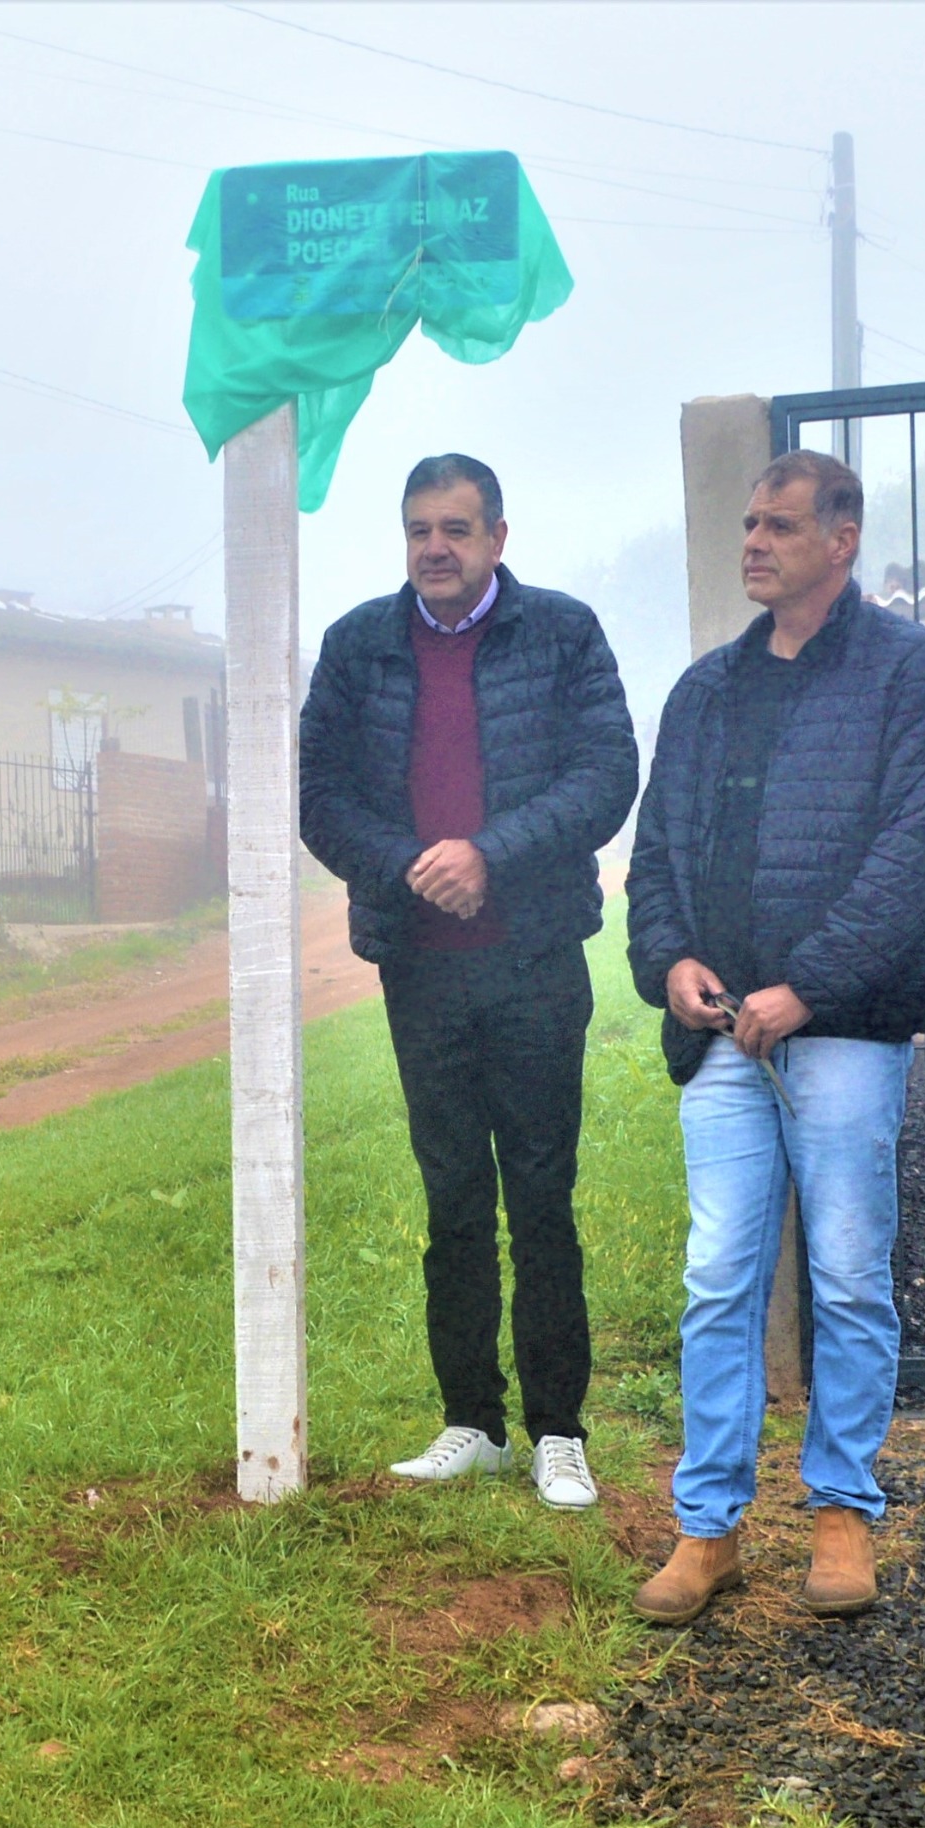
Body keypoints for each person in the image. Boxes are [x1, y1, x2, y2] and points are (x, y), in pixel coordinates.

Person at [621, 449, 925, 1624]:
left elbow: (915, 851)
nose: (752, 544)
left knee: (848, 1275)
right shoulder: (703, 691)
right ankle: (706, 1528)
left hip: (844, 1033)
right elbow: (656, 854)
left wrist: (806, 988)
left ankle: (839, 1516)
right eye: (746, 525)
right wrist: (668, 963)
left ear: (841, 537)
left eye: (776, 525)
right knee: (717, 1279)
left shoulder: (908, 671)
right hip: (721, 1036)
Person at [300, 453, 641, 1510]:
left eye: (455, 529)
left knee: (539, 1199)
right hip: (420, 970)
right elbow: (319, 795)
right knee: (451, 1199)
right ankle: (471, 1423)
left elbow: (606, 776)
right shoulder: (357, 645)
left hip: (534, 961)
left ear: (497, 536)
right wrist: (410, 864)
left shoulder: (562, 632)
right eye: (419, 530)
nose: (435, 549)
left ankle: (557, 1434)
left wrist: (488, 854)